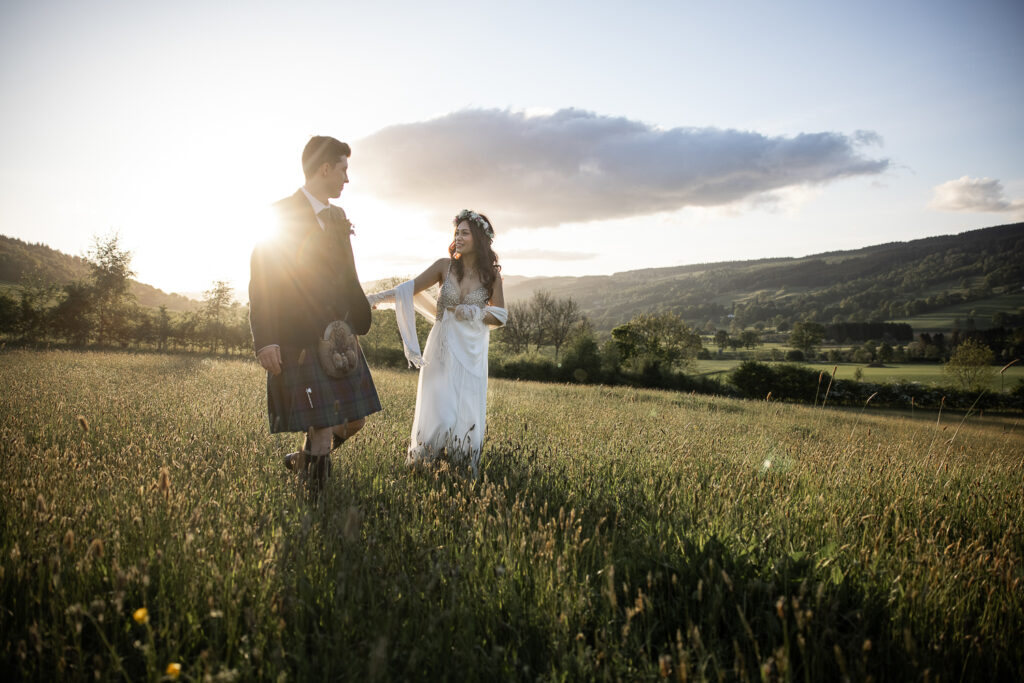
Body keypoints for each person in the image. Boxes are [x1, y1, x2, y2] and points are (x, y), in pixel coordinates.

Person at [249, 136, 381, 492]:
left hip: (338, 335)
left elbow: (346, 274)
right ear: (325, 168)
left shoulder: (337, 216)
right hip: (299, 337)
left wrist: (357, 315)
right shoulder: (280, 214)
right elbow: (261, 281)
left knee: (354, 421)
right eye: (343, 169)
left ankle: (304, 461)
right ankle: (317, 512)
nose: (347, 179)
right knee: (322, 428)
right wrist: (266, 340)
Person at [368, 210, 506, 476]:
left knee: (465, 410)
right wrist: (375, 298)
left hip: (471, 353)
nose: (459, 236)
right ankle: (424, 465)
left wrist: (476, 313)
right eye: (457, 232)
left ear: (479, 238)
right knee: (440, 412)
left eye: (465, 232)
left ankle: (460, 468)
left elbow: (501, 315)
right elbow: (409, 289)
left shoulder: (492, 277)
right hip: (441, 348)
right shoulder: (445, 266)